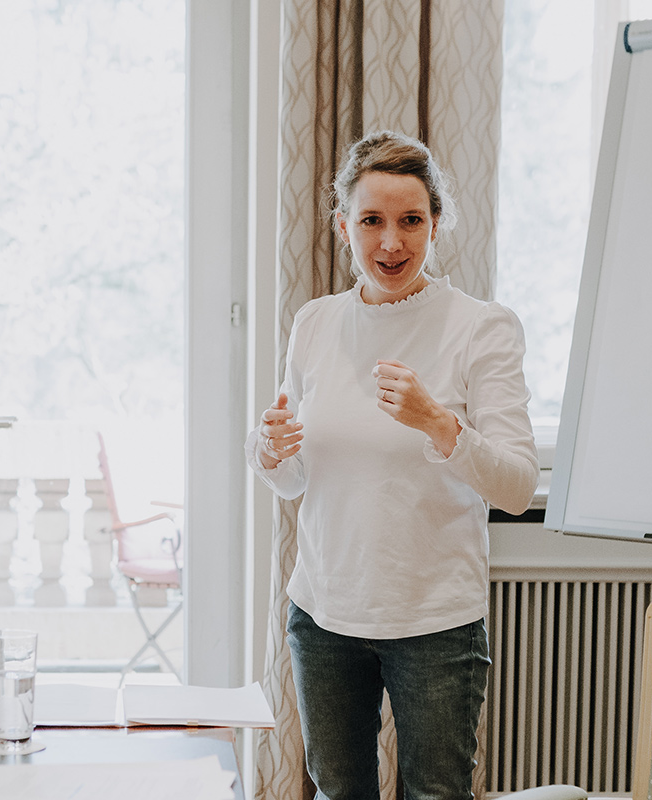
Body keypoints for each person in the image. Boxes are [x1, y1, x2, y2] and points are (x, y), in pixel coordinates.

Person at [245, 130, 538, 800]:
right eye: (371, 221)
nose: (391, 244)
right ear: (342, 224)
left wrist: (438, 423)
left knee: (436, 793)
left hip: (435, 621)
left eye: (411, 221)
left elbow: (518, 486)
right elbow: (294, 477)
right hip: (323, 614)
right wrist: (269, 450)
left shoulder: (482, 327)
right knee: (337, 791)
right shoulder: (314, 323)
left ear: (437, 223)